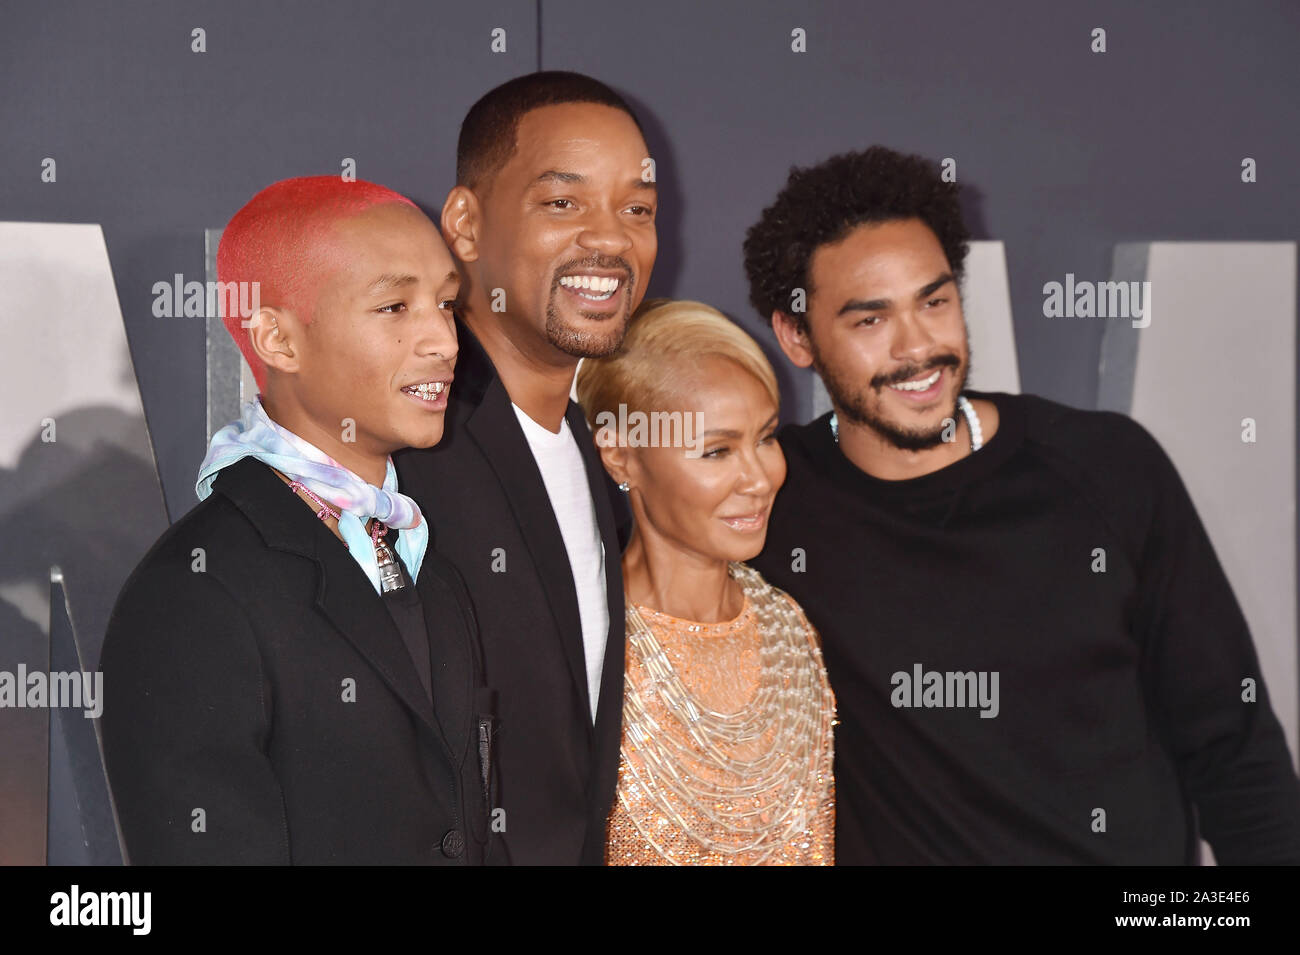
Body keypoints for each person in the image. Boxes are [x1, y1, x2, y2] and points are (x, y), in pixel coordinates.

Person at [743, 146, 1300, 865]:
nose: (919, 347)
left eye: (935, 300)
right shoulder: (766, 501)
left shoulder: (1108, 468)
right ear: (796, 335)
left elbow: (1235, 751)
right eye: (870, 320)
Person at [100, 176, 494, 864]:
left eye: (447, 303)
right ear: (278, 339)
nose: (444, 340)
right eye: (395, 306)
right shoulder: (193, 595)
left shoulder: (423, 560)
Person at [393, 71, 657, 864]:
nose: (610, 240)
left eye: (637, 209)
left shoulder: (594, 442)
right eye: (563, 203)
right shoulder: (402, 443)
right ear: (466, 224)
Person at [576, 298, 835, 865]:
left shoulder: (788, 631)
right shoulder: (585, 647)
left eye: (766, 437)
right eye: (717, 451)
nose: (760, 478)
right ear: (621, 457)